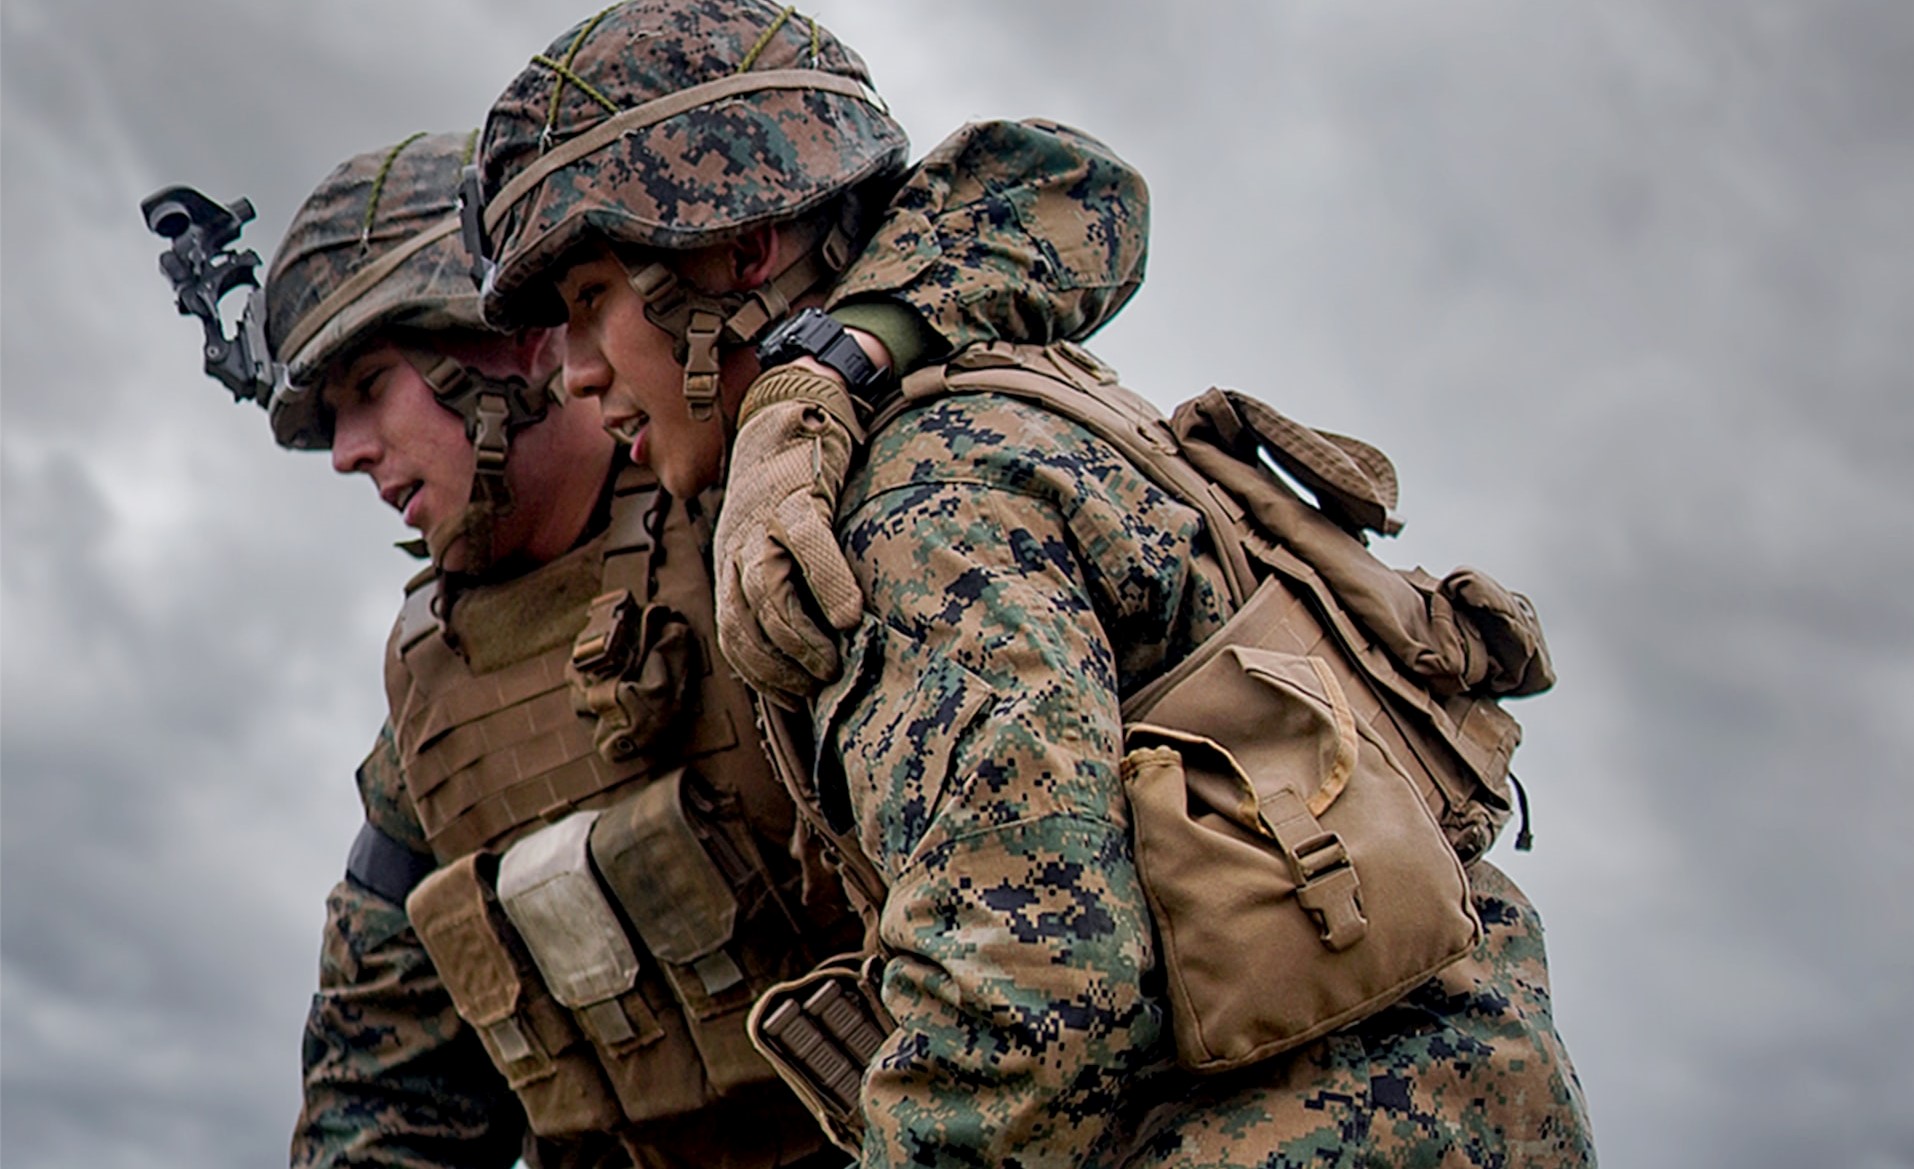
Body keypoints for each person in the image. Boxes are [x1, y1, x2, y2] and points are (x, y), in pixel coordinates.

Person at [465, 3, 1598, 1167]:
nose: (574, 372)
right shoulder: (963, 392)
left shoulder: (911, 503)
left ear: (734, 254)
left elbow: (1026, 1004)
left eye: (590, 297)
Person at [162, 79, 1149, 1169]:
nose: (347, 449)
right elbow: (382, 1094)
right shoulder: (429, 720)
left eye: (367, 386)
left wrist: (840, 362)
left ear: (498, 338)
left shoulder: (768, 509)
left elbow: (1055, 190)